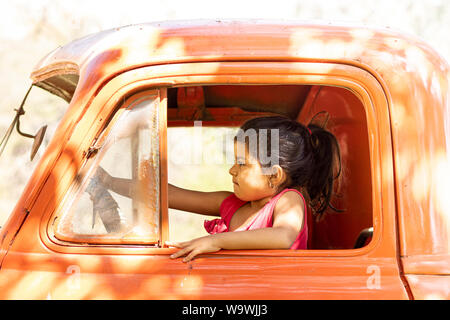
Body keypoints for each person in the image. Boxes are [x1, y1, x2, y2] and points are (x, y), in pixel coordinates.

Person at [92, 112, 342, 262]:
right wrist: (109, 182)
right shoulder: (230, 204)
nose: (232, 170)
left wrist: (217, 241)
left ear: (274, 176)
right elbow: (163, 195)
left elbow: (284, 236)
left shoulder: (289, 200)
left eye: (242, 164)